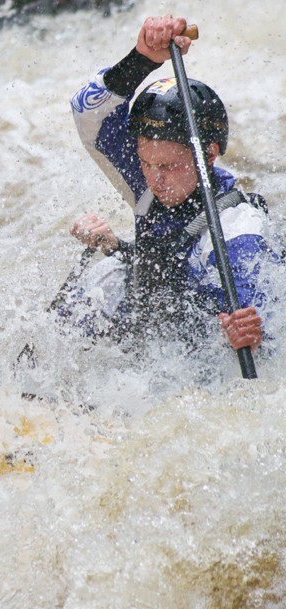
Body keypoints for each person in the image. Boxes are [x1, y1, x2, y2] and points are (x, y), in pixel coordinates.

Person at [62, 14, 279, 354]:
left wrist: (250, 338)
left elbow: (266, 333)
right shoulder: (153, 176)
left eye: (166, 165)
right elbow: (87, 112)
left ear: (208, 155)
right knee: (104, 277)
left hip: (198, 352)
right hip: (159, 322)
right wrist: (142, 59)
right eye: (145, 162)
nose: (153, 178)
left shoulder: (239, 233)